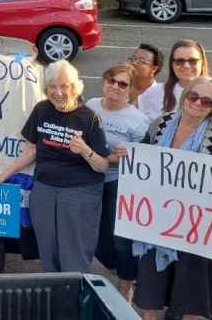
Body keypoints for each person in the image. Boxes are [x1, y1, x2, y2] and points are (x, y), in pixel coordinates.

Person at [136, 39, 212, 319]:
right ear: (185, 98)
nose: (198, 104)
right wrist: (128, 155)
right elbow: (142, 158)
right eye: (193, 97)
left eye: (207, 101)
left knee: (191, 300)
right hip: (154, 221)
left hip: (195, 227)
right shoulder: (160, 125)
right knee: (151, 299)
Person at [0, 60, 110, 273]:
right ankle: (55, 296)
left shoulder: (89, 118)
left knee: (74, 250)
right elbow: (32, 150)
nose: (58, 92)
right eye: (52, 87)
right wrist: (3, 175)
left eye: (64, 86)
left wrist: (85, 150)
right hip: (45, 188)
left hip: (79, 191)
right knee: (48, 246)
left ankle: (75, 295)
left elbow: (102, 166)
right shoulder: (42, 110)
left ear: (74, 87)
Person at [87, 63, 149, 298]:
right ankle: (120, 267)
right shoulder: (91, 106)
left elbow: (144, 159)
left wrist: (121, 156)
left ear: (131, 90)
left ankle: (126, 287)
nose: (115, 86)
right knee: (98, 240)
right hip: (90, 179)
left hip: (119, 183)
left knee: (121, 239)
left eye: (122, 84)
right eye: (111, 80)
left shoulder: (139, 120)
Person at [138, 40, 212, 128]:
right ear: (172, 64)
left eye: (193, 61)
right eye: (179, 61)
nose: (186, 66)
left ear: (202, 63)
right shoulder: (152, 94)